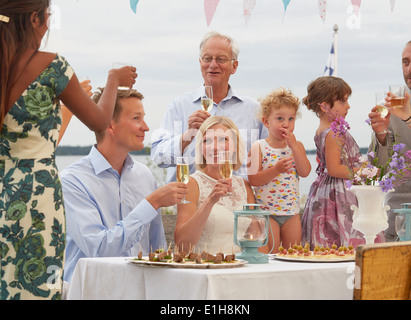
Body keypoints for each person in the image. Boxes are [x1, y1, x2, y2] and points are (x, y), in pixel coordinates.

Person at [0, 0, 136, 300]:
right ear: (35, 19)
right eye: (48, 15)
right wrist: (113, 79)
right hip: (38, 195)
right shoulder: (52, 66)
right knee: (38, 283)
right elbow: (100, 122)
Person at [61, 88, 187, 284]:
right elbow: (99, 249)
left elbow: (157, 248)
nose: (146, 127)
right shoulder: (72, 181)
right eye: (136, 118)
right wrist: (152, 202)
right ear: (109, 125)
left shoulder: (144, 175)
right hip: (93, 293)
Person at [151, 31, 267, 183]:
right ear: (200, 63)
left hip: (238, 201)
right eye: (207, 58)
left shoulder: (254, 109)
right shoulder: (178, 106)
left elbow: (269, 158)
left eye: (221, 59)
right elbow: (158, 158)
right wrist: (187, 136)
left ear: (234, 66)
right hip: (191, 202)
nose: (213, 64)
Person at [301, 76, 384, 249]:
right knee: (350, 235)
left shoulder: (323, 130)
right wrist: (362, 173)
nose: (348, 106)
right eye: (342, 101)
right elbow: (334, 168)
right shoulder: (334, 133)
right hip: (339, 193)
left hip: (325, 190)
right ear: (324, 106)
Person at [174, 116, 255, 254]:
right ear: (201, 148)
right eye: (207, 141)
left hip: (239, 268)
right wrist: (209, 201)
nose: (215, 147)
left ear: (235, 145)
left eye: (223, 139)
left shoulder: (244, 187)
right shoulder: (191, 184)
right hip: (205, 267)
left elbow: (255, 240)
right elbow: (182, 245)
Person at [247, 88, 311, 253]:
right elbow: (253, 180)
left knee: (293, 253)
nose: (286, 124)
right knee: (272, 254)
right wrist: (276, 170)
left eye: (291, 119)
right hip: (268, 214)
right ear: (266, 122)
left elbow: (305, 172)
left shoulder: (298, 147)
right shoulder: (258, 147)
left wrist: (294, 148)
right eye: (280, 118)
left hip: (292, 213)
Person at [368, 40, 411, 242]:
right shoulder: (392, 107)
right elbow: (379, 170)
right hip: (398, 218)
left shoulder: (402, 111)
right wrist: (381, 135)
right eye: (405, 62)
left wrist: (408, 119)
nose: (409, 69)